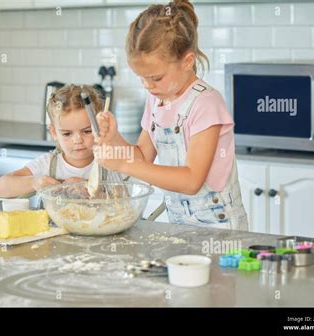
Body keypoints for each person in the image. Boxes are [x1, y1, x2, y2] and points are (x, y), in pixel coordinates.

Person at [95, 0, 248, 230]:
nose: (148, 85)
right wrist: (114, 139)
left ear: (187, 61)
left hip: (220, 229)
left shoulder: (206, 103)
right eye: (142, 78)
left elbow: (191, 181)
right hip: (181, 227)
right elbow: (142, 157)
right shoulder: (156, 100)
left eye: (155, 77)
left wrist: (123, 164)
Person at [0, 84, 104, 198]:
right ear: (54, 133)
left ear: (100, 126)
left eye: (87, 131)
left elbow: (122, 197)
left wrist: (91, 190)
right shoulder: (47, 164)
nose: (78, 140)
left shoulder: (109, 163)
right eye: (67, 133)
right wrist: (35, 182)